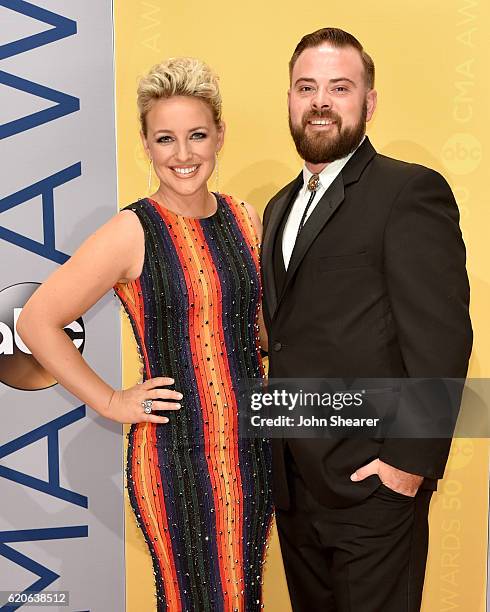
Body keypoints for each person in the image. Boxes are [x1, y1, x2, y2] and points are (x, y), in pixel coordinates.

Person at [18, 57, 272, 612]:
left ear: (220, 135)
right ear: (146, 144)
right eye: (166, 139)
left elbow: (258, 333)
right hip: (176, 455)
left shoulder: (245, 218)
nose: (183, 155)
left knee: (240, 597)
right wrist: (110, 400)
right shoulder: (130, 230)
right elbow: (37, 321)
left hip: (250, 454)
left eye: (197, 135)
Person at [261, 28, 472, 612]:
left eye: (340, 87)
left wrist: (409, 463)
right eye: (307, 87)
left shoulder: (408, 191)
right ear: (290, 99)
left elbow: (443, 336)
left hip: (374, 484)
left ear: (369, 102)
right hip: (295, 484)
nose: (321, 101)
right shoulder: (280, 206)